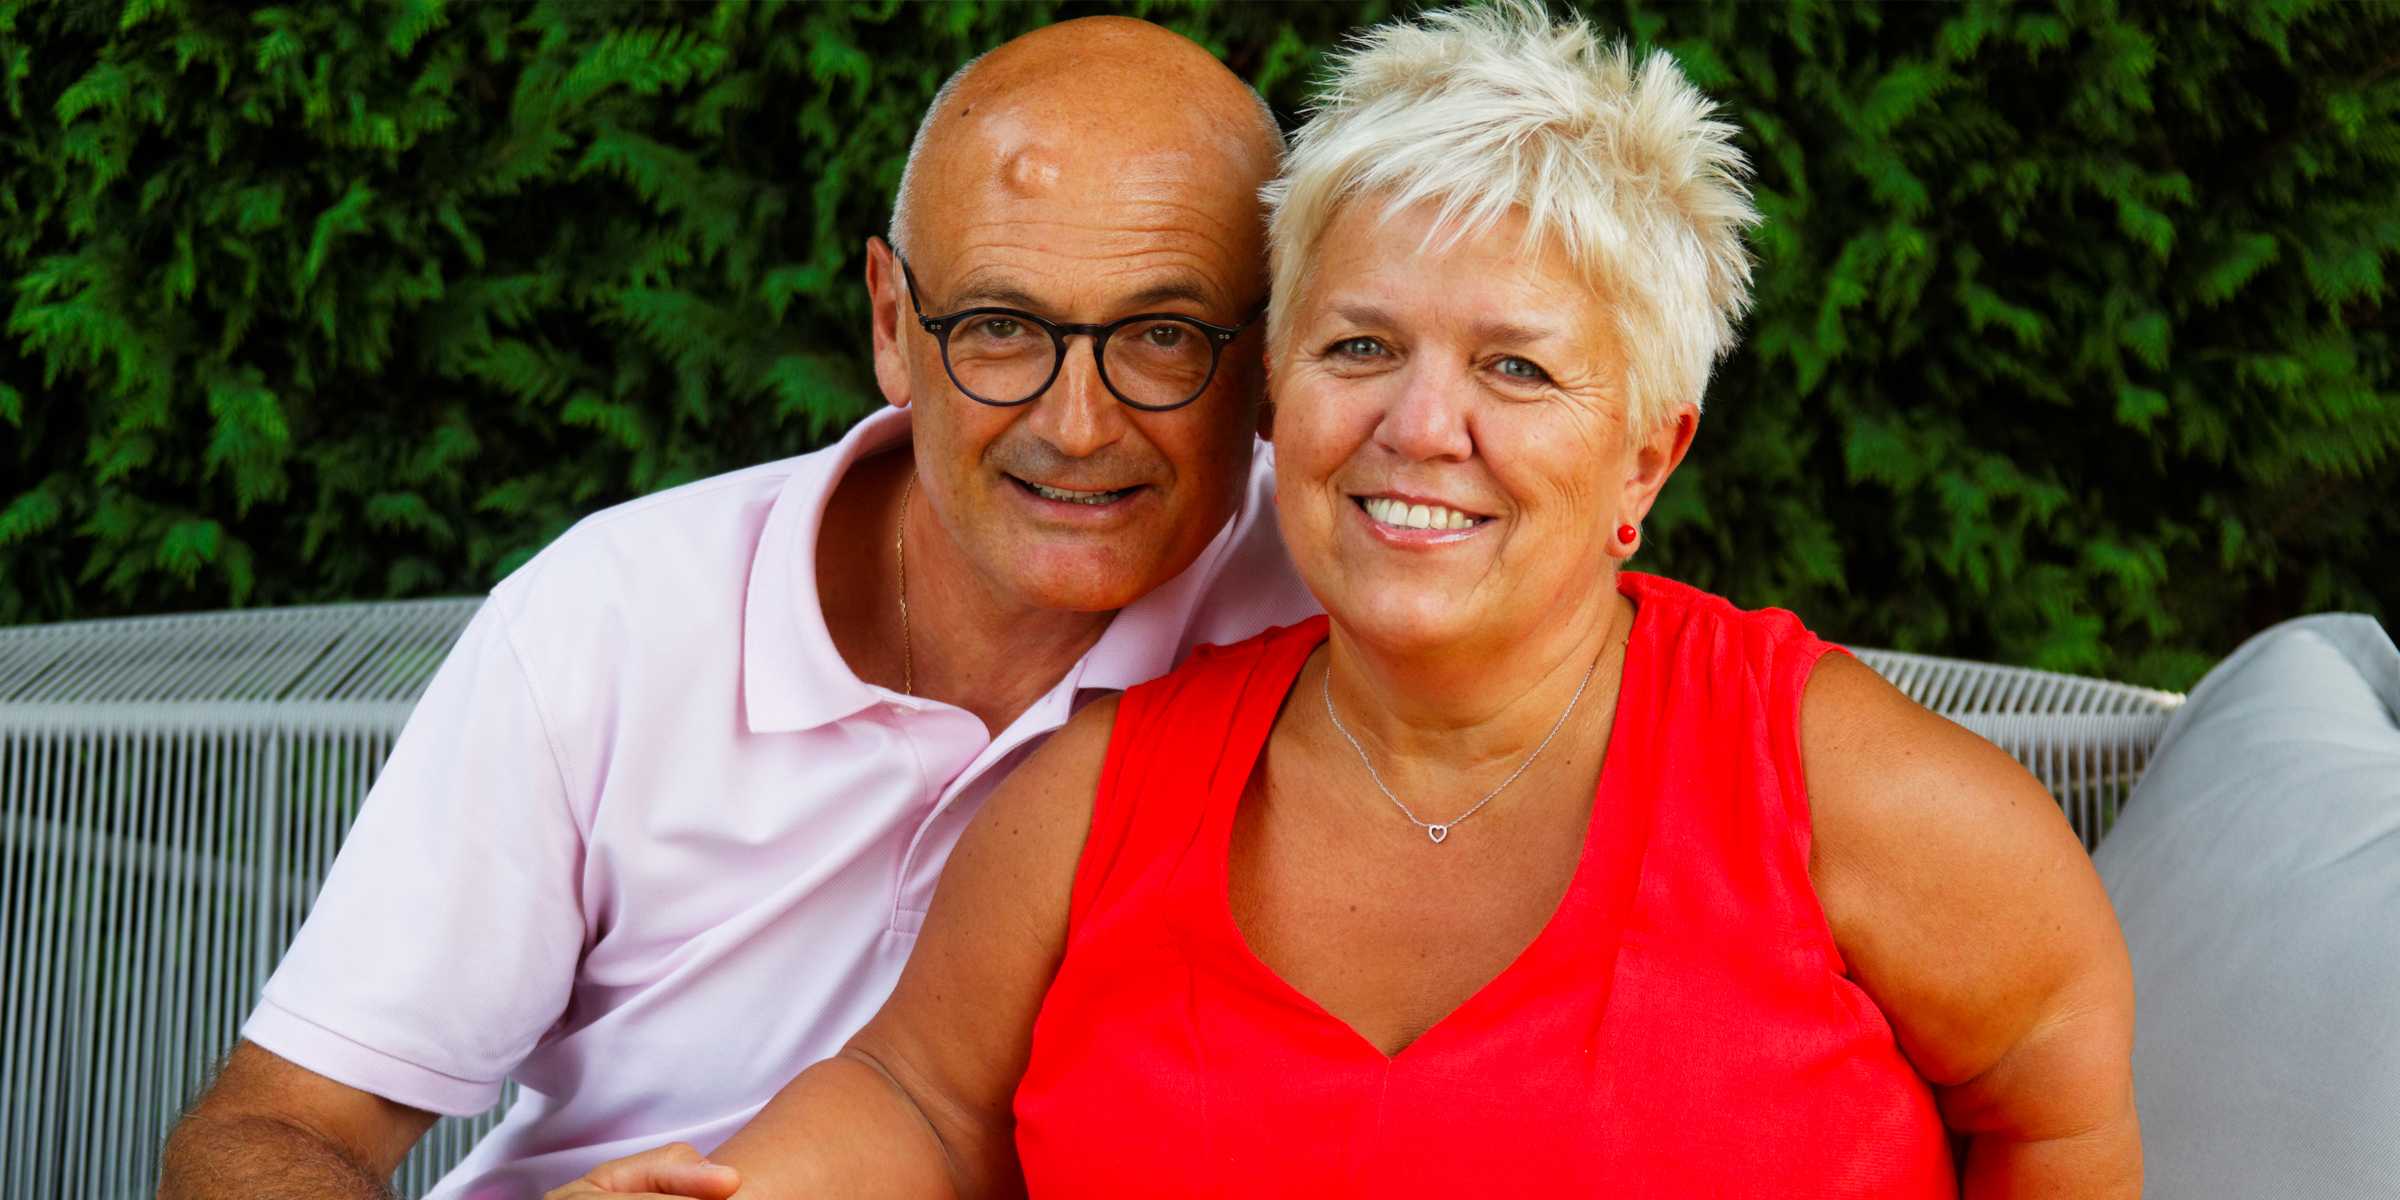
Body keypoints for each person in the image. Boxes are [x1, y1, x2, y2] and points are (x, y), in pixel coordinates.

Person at [556, 5, 2143, 1199]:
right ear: (1271, 394)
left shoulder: (1847, 796)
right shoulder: (1098, 794)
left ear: (1650, 449)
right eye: (1360, 346)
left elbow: (2053, 1099)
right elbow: (915, 1098)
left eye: (1515, 367)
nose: (1417, 425)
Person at [156, 18, 1320, 1199]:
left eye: (1165, 337)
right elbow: (274, 1131)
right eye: (1000, 329)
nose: (1077, 424)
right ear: (889, 323)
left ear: (1273, 352)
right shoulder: (608, 619)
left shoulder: (1342, 614)